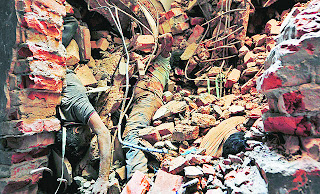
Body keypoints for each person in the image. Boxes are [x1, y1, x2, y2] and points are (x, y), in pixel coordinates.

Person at [122, 33, 173, 178]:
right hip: (140, 100)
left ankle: (137, 179)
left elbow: (168, 41)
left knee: (132, 132)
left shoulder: (163, 62)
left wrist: (160, 41)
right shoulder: (141, 63)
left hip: (148, 99)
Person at [60, 70, 111, 193]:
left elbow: (104, 133)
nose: (91, 136)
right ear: (77, 129)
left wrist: (103, 178)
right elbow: (103, 133)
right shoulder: (77, 104)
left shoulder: (79, 104)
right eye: (88, 139)